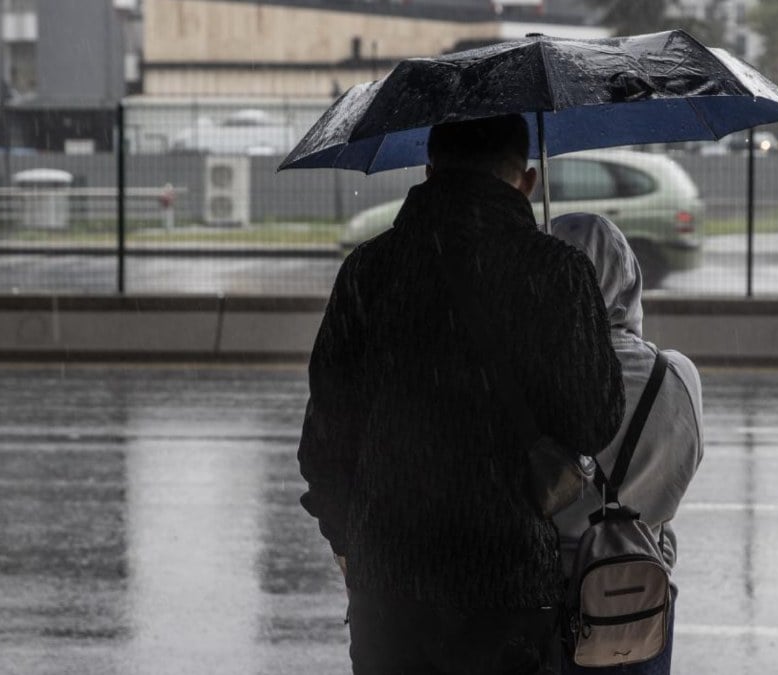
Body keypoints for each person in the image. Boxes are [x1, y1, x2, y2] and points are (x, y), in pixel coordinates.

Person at [297, 114, 625, 675]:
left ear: (428, 171)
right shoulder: (557, 271)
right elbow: (595, 419)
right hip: (510, 583)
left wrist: (348, 541)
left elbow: (324, 440)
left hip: (391, 584)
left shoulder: (368, 270)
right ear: (527, 182)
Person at [550, 213, 704, 675]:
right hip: (643, 601)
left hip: (552, 605)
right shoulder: (677, 376)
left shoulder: (532, 380)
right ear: (629, 275)